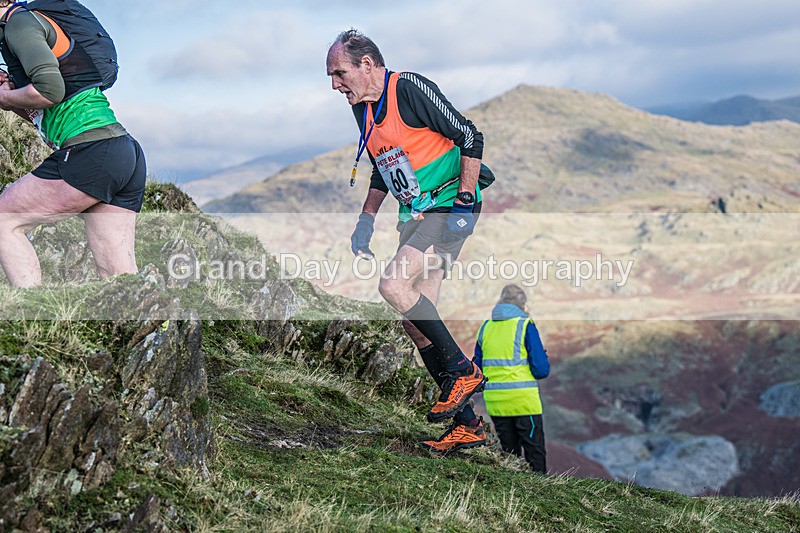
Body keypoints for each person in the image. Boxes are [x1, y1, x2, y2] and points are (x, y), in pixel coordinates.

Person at [327, 29, 488, 454]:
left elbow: (470, 136)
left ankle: (463, 371)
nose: (334, 85)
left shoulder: (408, 88)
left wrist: (465, 203)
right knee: (415, 323)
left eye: (339, 73)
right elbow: (384, 166)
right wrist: (366, 219)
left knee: (393, 286)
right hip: (413, 214)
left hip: (449, 202)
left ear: (367, 65)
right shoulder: (363, 108)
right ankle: (467, 425)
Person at [0, 0, 146, 288]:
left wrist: (5, 98)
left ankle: (30, 317)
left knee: (5, 220)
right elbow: (51, 110)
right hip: (121, 151)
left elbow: (49, 90)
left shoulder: (18, 22)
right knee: (118, 279)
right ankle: (144, 328)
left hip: (91, 151)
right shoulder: (26, 25)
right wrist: (11, 97)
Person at [474, 285, 550, 473]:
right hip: (523, 401)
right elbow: (541, 370)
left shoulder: (486, 327)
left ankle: (512, 496)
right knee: (535, 452)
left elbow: (477, 367)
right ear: (522, 304)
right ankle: (541, 494)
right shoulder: (525, 325)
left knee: (509, 455)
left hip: (496, 402)